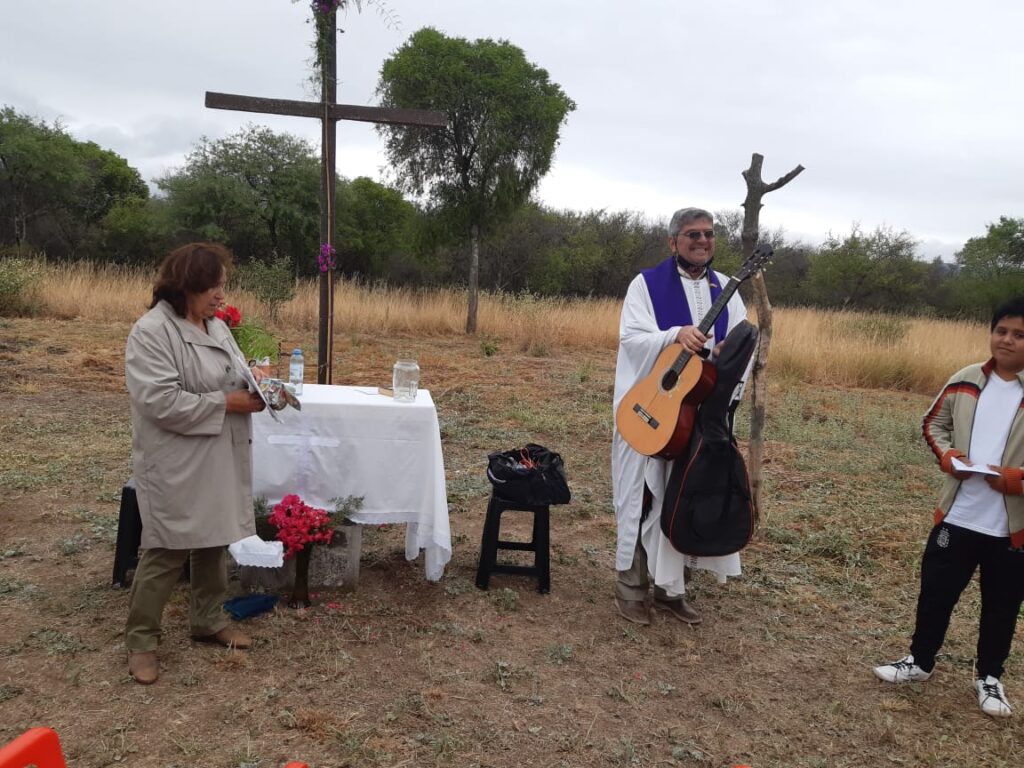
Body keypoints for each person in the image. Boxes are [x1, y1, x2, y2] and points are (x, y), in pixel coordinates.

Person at [123, 242, 267, 685]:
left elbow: (230, 371)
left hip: (215, 453)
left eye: (223, 284)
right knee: (167, 548)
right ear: (186, 286)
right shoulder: (151, 333)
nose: (222, 295)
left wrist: (255, 378)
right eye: (213, 286)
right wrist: (229, 402)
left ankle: (207, 620)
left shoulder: (214, 325)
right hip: (177, 460)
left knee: (213, 539)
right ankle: (141, 642)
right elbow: (160, 401)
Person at [874, 297, 1024, 717]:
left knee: (1002, 606)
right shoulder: (966, 379)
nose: (1007, 340)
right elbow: (933, 423)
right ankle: (920, 662)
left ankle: (989, 679)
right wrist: (948, 457)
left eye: (1019, 334)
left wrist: (1015, 479)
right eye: (1001, 331)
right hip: (958, 516)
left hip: (1011, 528)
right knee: (936, 594)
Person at [611, 207, 748, 626]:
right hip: (652, 406)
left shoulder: (727, 288)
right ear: (673, 242)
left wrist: (727, 353)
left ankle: (672, 589)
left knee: (688, 494)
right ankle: (632, 588)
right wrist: (675, 335)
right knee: (643, 495)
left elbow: (744, 340)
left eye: (708, 234)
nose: (702, 241)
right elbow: (632, 339)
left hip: (701, 412)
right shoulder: (646, 285)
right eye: (692, 234)